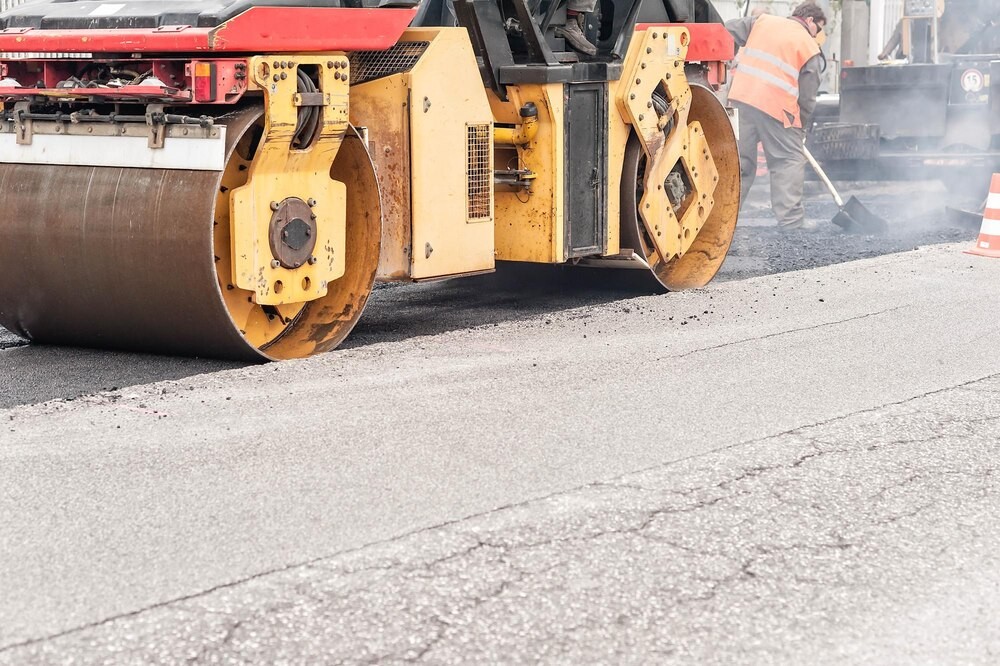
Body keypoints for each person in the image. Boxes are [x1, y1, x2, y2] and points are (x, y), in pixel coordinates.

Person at [726, 2, 826, 231]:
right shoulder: (807, 45)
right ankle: (791, 222)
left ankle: (721, 221)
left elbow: (727, 30)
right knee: (787, 160)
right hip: (777, 109)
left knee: (739, 164)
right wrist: (800, 127)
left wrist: (729, 59)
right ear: (810, 21)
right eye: (818, 30)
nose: (817, 36)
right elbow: (808, 96)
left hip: (742, 99)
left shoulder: (761, 22)